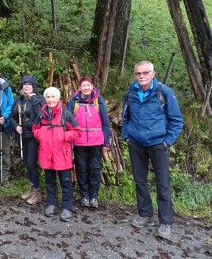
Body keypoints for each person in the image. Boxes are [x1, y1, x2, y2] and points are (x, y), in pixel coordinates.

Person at [122, 61, 183, 240]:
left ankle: (165, 222)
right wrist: (127, 136)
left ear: (153, 74)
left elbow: (177, 120)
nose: (141, 76)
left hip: (158, 144)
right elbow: (125, 117)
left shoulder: (164, 92)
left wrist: (167, 142)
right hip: (136, 144)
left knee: (162, 183)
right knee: (140, 181)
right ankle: (145, 214)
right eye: (138, 73)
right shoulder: (131, 94)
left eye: (145, 73)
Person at [32, 87, 82, 221]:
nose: (50, 99)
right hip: (46, 153)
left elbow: (77, 131)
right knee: (50, 181)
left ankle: (67, 207)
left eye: (53, 97)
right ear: (45, 99)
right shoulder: (41, 114)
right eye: (48, 97)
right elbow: (35, 128)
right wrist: (41, 135)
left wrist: (63, 136)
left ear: (58, 99)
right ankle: (51, 204)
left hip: (62, 154)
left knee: (65, 182)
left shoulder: (66, 114)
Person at [67, 76, 110, 208]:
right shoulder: (74, 101)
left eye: (88, 85)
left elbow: (106, 123)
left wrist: (106, 142)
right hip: (79, 142)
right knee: (81, 168)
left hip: (96, 142)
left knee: (95, 169)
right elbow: (68, 121)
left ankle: (94, 196)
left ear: (92, 87)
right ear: (79, 88)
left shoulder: (98, 101)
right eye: (83, 85)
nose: (86, 88)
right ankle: (84, 195)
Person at [10, 75, 45, 205]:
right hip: (22, 136)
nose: (26, 86)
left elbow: (40, 117)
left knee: (31, 163)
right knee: (26, 162)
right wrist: (16, 126)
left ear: (33, 86)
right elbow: (12, 117)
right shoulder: (18, 100)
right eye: (24, 84)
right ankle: (32, 188)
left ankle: (37, 192)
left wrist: (27, 123)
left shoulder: (38, 100)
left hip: (33, 137)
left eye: (29, 84)